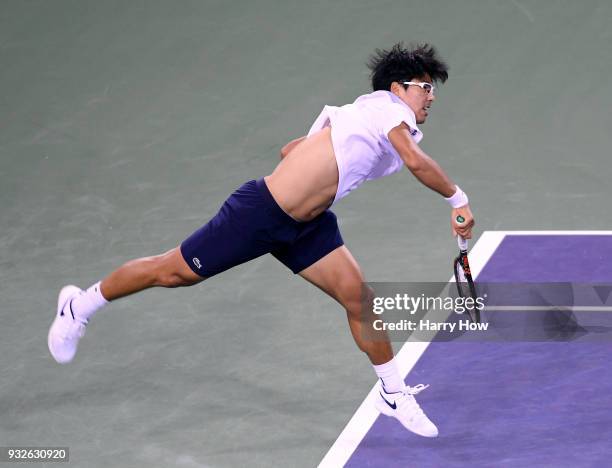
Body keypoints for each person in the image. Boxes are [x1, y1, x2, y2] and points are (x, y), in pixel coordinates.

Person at [48, 42, 474, 438]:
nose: (431, 97)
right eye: (424, 87)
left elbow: (292, 150)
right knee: (173, 271)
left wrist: (311, 167)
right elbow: (418, 164)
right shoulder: (386, 110)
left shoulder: (367, 117)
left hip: (307, 225)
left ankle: (392, 394)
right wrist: (458, 200)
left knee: (358, 299)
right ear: (397, 89)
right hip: (259, 214)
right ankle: (79, 304)